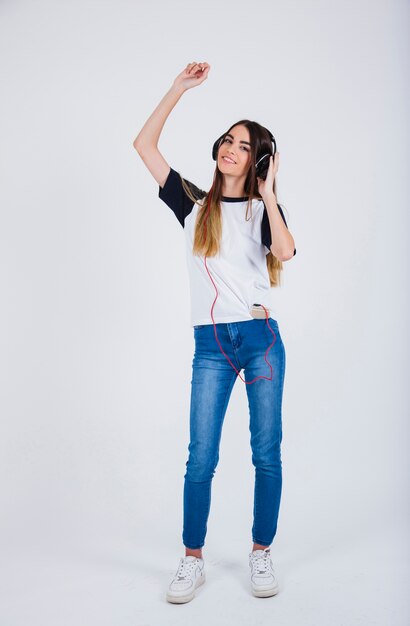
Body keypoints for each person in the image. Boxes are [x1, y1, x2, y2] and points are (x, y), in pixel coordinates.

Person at [132, 61, 296, 604]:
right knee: (201, 456)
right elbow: (144, 145)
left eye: (244, 145)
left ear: (259, 159)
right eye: (228, 140)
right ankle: (192, 560)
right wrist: (177, 88)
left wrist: (269, 194)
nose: (231, 148)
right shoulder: (193, 204)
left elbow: (286, 252)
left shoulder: (260, 209)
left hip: (260, 339)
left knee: (265, 452)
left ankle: (261, 551)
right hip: (212, 347)